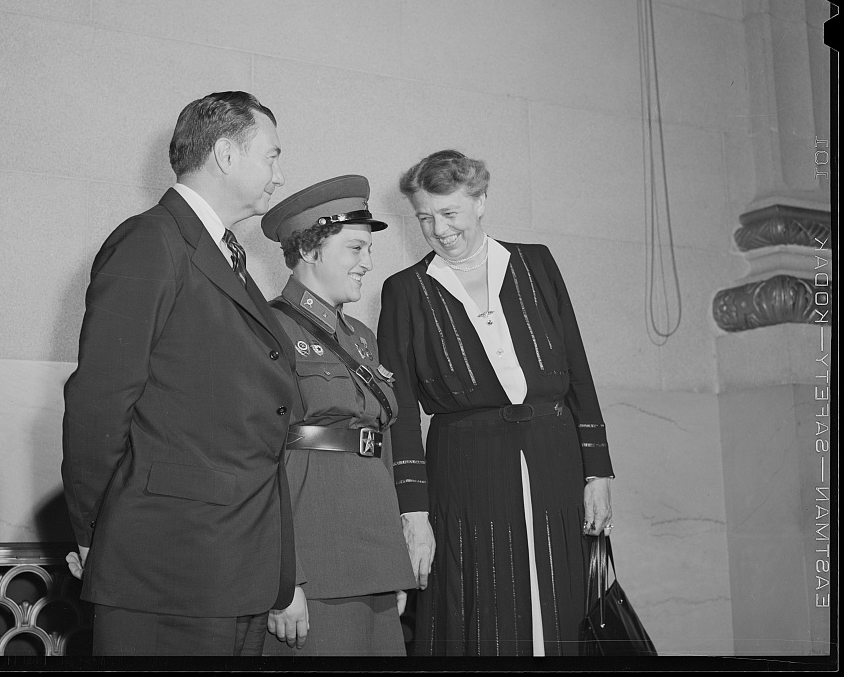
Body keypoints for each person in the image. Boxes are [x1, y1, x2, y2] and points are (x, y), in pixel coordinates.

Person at [60, 91, 306, 656]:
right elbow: (100, 401)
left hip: (235, 563)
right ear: (225, 154)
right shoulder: (151, 241)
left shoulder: (222, 254)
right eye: (270, 155)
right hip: (165, 565)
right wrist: (101, 534)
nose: (279, 172)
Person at [377, 149, 615, 656]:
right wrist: (413, 514)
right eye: (425, 218)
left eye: (450, 214)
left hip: (554, 459)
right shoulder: (404, 291)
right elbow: (398, 412)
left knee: (560, 595)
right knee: (478, 605)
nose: (439, 230)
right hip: (464, 469)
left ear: (480, 201)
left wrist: (598, 471)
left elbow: (577, 369)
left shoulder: (536, 263)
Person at [258, 175, 416, 656]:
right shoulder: (267, 329)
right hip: (316, 556)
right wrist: (283, 579)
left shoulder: (363, 338)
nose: (368, 263)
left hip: (373, 553)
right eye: (355, 248)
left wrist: (394, 560)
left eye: (368, 249)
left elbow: (377, 445)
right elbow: (258, 461)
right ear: (310, 250)